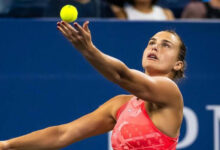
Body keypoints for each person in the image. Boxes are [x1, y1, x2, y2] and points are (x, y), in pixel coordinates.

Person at [0, 21, 186, 150]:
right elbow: (62, 134)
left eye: (166, 45)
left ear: (178, 64)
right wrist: (7, 145)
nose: (154, 47)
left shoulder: (170, 92)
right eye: (151, 43)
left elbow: (121, 75)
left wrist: (89, 50)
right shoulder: (120, 105)